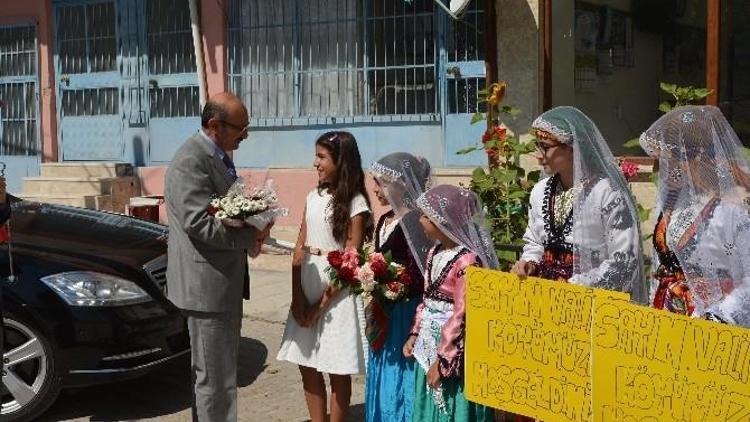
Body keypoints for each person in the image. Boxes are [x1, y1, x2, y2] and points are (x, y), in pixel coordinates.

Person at [165, 92, 270, 422]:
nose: (245, 136)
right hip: (206, 288)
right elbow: (198, 223)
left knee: (217, 376)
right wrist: (247, 235)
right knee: (216, 380)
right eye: (241, 128)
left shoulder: (216, 154)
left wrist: (255, 216)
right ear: (214, 125)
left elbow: (225, 208)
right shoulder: (191, 160)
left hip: (219, 284)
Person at [277, 131, 372, 422]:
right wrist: (298, 298)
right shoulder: (312, 196)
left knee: (337, 367)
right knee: (306, 363)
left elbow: (350, 262)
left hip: (336, 296)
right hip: (307, 284)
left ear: (340, 161)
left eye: (321, 156)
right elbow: (298, 246)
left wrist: (319, 307)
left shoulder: (355, 203)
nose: (315, 162)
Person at [511, 106, 646, 302]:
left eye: (546, 147)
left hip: (590, 304)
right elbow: (535, 242)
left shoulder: (606, 193)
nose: (539, 156)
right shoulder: (540, 192)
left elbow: (624, 261)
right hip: (544, 300)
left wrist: (576, 286)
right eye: (537, 146)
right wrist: (529, 263)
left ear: (573, 148)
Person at [639, 105, 750, 327]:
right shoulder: (672, 199)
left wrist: (718, 316)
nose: (664, 169)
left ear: (696, 155)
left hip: (710, 325)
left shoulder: (731, 208)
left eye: (669, 160)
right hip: (667, 318)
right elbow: (660, 266)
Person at [402, 184, 496, 422]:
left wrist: (443, 361)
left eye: (425, 215)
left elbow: (462, 314)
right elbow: (427, 299)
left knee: (449, 403)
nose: (420, 220)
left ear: (441, 220)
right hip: (429, 341)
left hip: (452, 349)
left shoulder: (467, 261)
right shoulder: (434, 253)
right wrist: (415, 333)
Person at [365, 152, 433, 422]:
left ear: (402, 185)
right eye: (376, 181)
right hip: (385, 308)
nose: (375, 188)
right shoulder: (384, 220)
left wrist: (391, 283)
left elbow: (420, 273)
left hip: (405, 312)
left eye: (381, 183)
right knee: (383, 364)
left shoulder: (416, 222)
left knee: (400, 371)